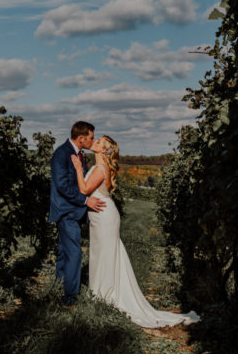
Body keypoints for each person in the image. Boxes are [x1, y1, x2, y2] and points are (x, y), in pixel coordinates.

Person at [70, 135, 200, 328]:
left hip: (104, 217)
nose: (94, 142)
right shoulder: (98, 167)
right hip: (101, 216)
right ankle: (100, 295)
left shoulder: (99, 169)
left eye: (98, 142)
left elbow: (84, 190)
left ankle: (105, 296)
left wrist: (78, 170)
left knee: (105, 255)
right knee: (102, 255)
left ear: (104, 151)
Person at [49, 121, 106, 307]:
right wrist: (85, 201)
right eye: (91, 137)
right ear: (81, 138)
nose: (93, 140)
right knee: (74, 253)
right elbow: (62, 185)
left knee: (65, 251)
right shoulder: (62, 153)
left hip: (72, 210)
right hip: (66, 210)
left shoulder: (78, 154)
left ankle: (59, 286)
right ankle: (70, 298)